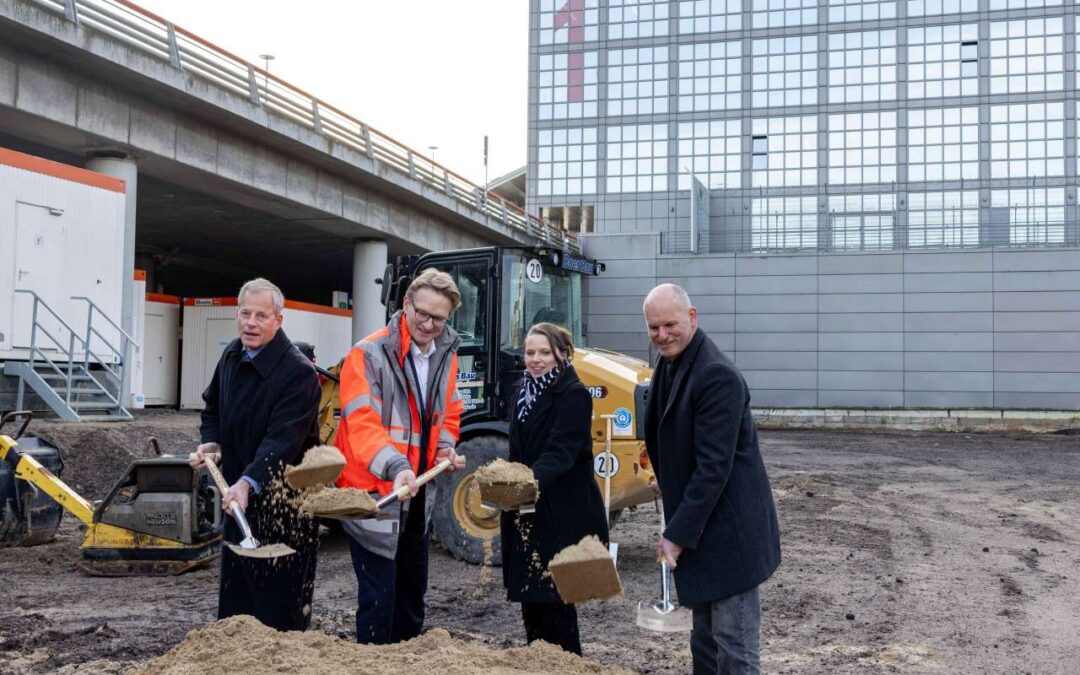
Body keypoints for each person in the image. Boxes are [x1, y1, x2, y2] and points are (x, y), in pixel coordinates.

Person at [642, 283, 781, 675]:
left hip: (729, 538)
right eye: (653, 328)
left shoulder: (716, 375)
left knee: (733, 648)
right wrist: (664, 478)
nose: (662, 335)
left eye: (669, 324)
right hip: (702, 530)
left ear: (692, 317)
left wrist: (676, 535)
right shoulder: (669, 363)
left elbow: (713, 467)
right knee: (703, 644)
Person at [334, 268, 464, 644]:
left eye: (438, 318)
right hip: (376, 494)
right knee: (379, 599)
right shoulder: (368, 354)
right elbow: (361, 424)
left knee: (411, 597)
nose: (428, 324)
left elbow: (450, 411)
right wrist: (397, 467)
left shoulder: (445, 354)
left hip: (417, 492)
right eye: (421, 313)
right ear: (405, 304)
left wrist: (444, 447)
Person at [190, 277, 322, 631]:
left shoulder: (298, 373)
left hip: (286, 505)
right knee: (238, 602)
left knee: (279, 605)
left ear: (279, 320)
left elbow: (283, 442)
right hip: (239, 498)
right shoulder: (233, 354)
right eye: (245, 313)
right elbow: (212, 407)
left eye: (261, 316)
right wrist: (212, 441)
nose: (251, 322)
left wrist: (249, 483)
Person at [500, 322, 609, 656]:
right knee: (531, 599)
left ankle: (566, 662)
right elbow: (518, 450)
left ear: (562, 354)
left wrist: (523, 482)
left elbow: (560, 453)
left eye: (544, 352)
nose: (535, 359)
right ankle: (538, 661)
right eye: (530, 352)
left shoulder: (574, 394)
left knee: (555, 602)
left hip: (561, 511)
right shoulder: (522, 391)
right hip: (528, 509)